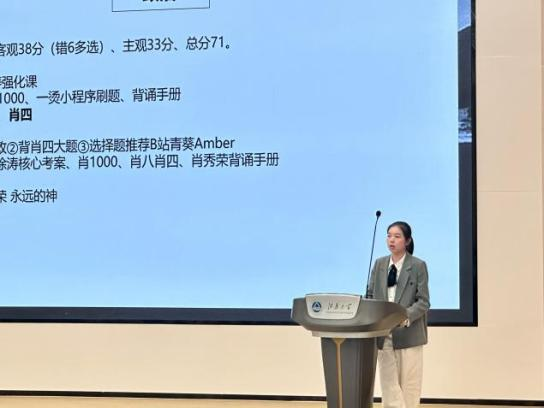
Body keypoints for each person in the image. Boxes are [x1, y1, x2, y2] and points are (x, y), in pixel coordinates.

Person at [367, 221, 430, 408]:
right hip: (384, 333)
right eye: (388, 236)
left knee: (409, 384)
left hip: (409, 334)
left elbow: (423, 301)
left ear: (407, 240)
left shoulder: (417, 265)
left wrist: (403, 317)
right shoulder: (379, 264)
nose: (391, 240)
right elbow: (370, 295)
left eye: (397, 236)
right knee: (388, 384)